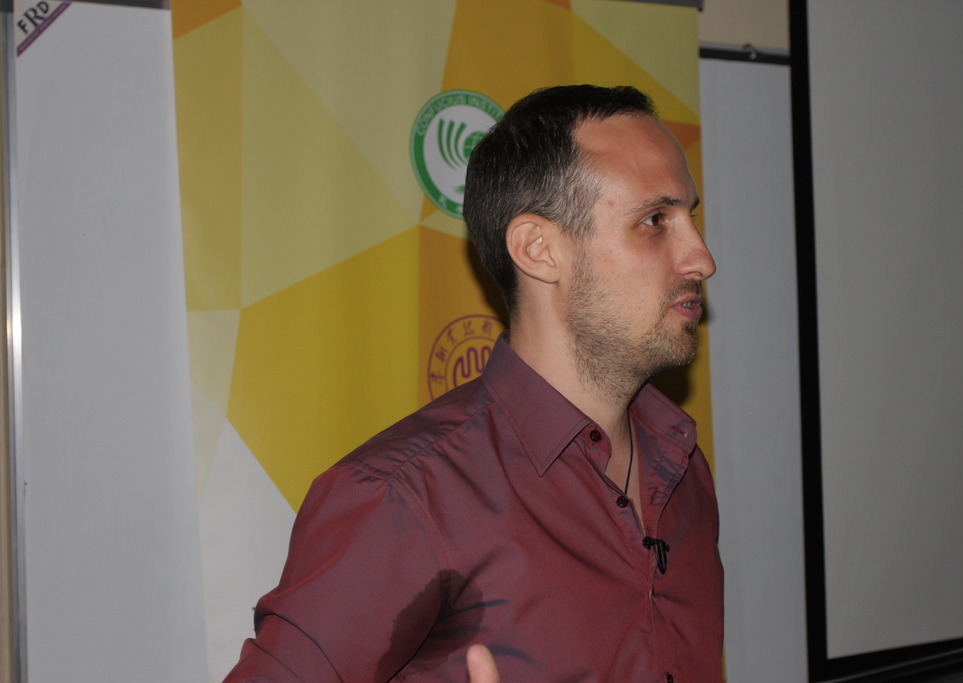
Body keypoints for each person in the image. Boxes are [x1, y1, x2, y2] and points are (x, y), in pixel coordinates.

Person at [224, 84, 722, 683]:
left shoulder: (682, 468)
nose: (701, 258)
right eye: (654, 221)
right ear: (538, 249)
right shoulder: (406, 498)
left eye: (690, 217)